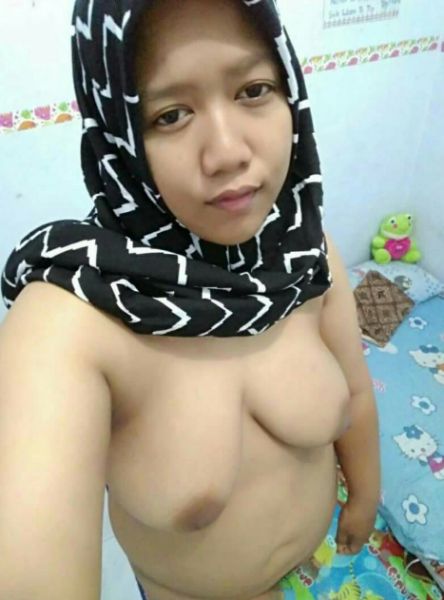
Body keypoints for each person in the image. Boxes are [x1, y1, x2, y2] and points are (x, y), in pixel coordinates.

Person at [0, 0, 380, 599]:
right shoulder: (72, 318)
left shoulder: (307, 256)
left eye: (253, 90)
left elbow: (355, 393)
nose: (227, 152)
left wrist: (364, 494)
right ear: (118, 135)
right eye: (170, 115)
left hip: (323, 562)